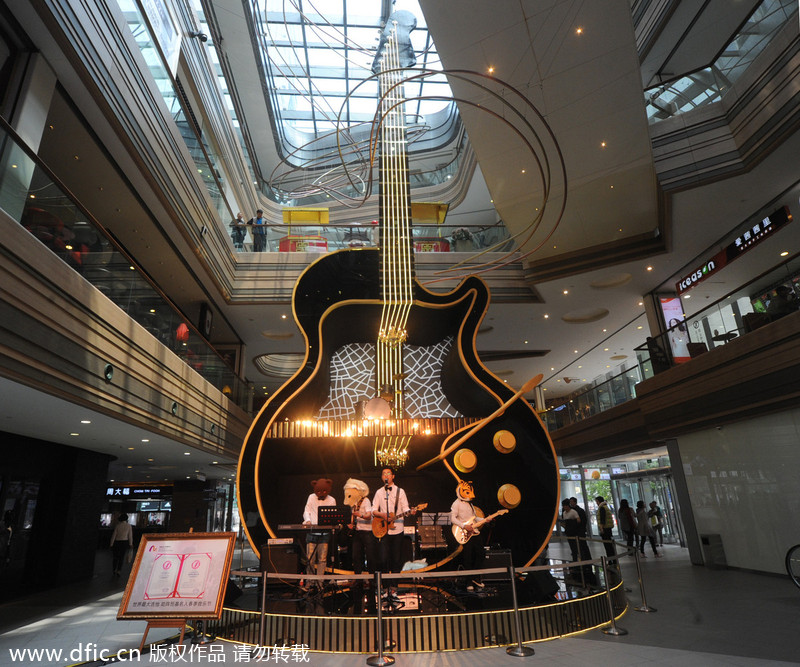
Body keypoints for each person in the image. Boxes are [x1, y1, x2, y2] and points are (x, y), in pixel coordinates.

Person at [371, 467, 416, 576]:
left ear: (393, 476)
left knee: (396, 559)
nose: (386, 475)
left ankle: (394, 587)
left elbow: (405, 508)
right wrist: (382, 515)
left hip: (398, 530)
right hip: (383, 530)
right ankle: (385, 588)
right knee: (383, 559)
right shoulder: (379, 492)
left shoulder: (400, 491)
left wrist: (410, 511)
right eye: (384, 474)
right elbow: (373, 510)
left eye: (388, 473)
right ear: (382, 477)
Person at [450, 481, 486, 590]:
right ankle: (469, 581)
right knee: (468, 557)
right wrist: (464, 526)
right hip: (465, 533)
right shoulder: (456, 503)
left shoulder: (470, 504)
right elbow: (452, 518)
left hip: (474, 532)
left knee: (481, 553)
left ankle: (475, 577)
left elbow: (474, 518)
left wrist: (485, 519)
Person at [302, 478, 337, 582]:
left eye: (324, 491)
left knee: (322, 559)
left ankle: (320, 582)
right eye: (319, 491)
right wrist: (308, 520)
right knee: (310, 559)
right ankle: (310, 582)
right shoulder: (311, 497)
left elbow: (332, 515)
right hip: (312, 531)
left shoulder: (332, 500)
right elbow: (306, 511)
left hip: (324, 533)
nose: (321, 494)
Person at [343, 478, 375, 576]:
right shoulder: (354, 502)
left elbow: (369, 516)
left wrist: (360, 515)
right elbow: (353, 515)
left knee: (370, 556)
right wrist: (351, 523)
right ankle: (358, 578)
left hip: (367, 532)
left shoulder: (366, 501)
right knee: (356, 556)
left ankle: (372, 578)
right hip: (358, 531)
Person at [109, 513, 133, 577]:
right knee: (121, 557)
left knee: (115, 557)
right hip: (124, 543)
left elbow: (114, 535)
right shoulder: (129, 526)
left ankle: (114, 569)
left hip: (117, 543)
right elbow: (130, 536)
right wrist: (131, 544)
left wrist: (111, 544)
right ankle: (119, 571)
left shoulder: (117, 526)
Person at [569, 497, 592, 561]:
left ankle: (587, 558)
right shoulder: (573, 510)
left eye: (571, 501)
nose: (570, 503)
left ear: (575, 502)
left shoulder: (580, 510)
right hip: (576, 531)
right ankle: (583, 558)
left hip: (580, 531)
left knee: (583, 545)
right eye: (570, 502)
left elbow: (583, 521)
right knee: (579, 546)